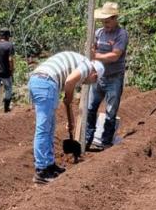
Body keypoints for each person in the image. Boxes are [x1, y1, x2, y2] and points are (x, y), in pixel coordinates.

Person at [28, 51, 104, 184]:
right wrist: (69, 97)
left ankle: (49, 165)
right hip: (45, 82)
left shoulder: (80, 64)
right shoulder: (87, 66)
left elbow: (68, 93)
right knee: (44, 128)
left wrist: (70, 115)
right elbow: (69, 82)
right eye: (92, 81)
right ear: (95, 75)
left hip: (42, 81)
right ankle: (41, 170)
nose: (88, 83)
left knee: (49, 127)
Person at [85, 2, 128, 151]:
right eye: (104, 21)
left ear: (115, 18)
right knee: (90, 108)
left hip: (114, 77)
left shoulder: (121, 34)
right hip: (98, 77)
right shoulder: (98, 33)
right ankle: (86, 140)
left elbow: (115, 55)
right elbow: (91, 50)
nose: (106, 24)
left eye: (108, 21)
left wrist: (95, 55)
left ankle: (106, 142)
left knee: (110, 111)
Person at [0, 28, 15, 113]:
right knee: (8, 88)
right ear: (7, 36)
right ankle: (6, 108)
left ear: (0, 36)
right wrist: (12, 70)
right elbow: (10, 59)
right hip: (6, 72)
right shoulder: (9, 45)